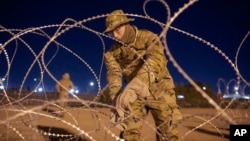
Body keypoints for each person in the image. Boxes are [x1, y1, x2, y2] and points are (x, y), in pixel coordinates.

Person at [104, 10, 182, 141]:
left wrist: (137, 84)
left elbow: (155, 60)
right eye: (111, 32)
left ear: (126, 24)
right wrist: (116, 98)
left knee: (167, 131)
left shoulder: (148, 38)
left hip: (159, 89)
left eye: (117, 30)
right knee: (129, 132)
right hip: (134, 95)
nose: (115, 35)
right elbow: (114, 74)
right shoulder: (112, 53)